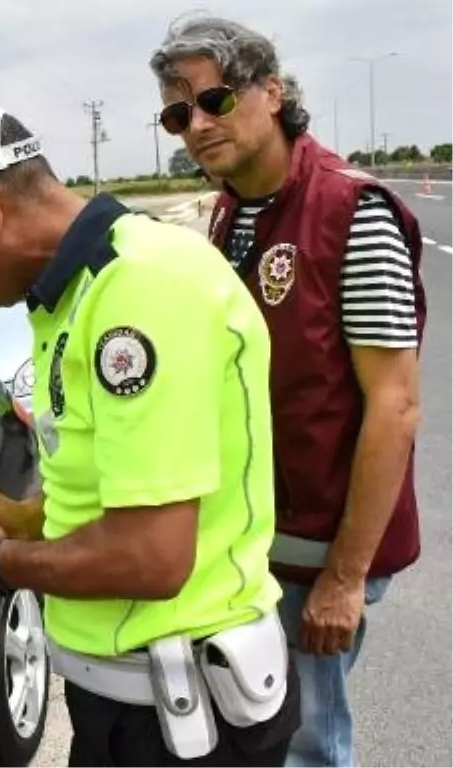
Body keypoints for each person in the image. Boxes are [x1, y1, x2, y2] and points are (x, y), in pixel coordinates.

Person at [0, 93, 299, 766]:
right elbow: (121, 486)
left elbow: (152, 557)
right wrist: (31, 518)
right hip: (135, 706)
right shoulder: (71, 294)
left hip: (187, 724)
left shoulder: (141, 289)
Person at [149, 16, 425, 768]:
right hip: (256, 549)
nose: (198, 126)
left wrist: (345, 577)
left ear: (272, 92)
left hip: (319, 557)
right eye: (180, 115)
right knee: (258, 735)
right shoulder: (234, 209)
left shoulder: (351, 212)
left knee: (307, 746)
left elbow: (394, 406)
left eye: (216, 99)